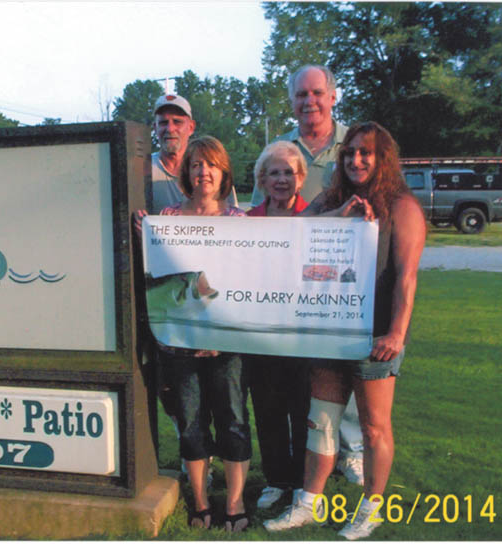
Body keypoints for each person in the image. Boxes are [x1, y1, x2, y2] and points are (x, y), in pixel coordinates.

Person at [263, 122, 426, 540]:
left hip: (374, 335)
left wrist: (396, 334)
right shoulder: (332, 197)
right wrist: (342, 215)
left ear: (382, 157)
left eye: (366, 153)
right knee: (321, 421)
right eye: (350, 152)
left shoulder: (402, 206)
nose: (356, 160)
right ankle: (309, 504)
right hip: (329, 330)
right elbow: (295, 233)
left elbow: (407, 278)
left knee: (373, 427)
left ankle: (371, 507)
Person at [252, 65, 364, 486]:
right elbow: (257, 222)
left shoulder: (352, 144)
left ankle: (352, 451)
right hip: (291, 285)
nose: (309, 101)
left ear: (333, 97)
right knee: (310, 379)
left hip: (342, 272)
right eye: (301, 95)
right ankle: (304, 463)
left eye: (317, 93)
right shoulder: (282, 148)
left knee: (346, 365)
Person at [139, 136, 251, 532]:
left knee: (233, 420)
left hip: (226, 343)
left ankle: (235, 504)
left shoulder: (240, 221)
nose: (203, 172)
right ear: (186, 173)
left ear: (224, 173)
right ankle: (201, 503)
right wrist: (145, 234)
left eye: (211, 165)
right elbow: (158, 276)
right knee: (189, 422)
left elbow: (244, 280)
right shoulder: (167, 216)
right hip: (179, 342)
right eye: (196, 165)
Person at [243, 141, 311, 511]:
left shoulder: (316, 219)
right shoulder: (248, 221)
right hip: (261, 333)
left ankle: (302, 481)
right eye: (274, 172)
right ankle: (276, 479)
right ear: (263, 180)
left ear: (300, 178)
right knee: (267, 409)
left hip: (302, 334)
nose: (282, 179)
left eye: (289, 172)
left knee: (302, 411)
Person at [151, 93, 237, 213]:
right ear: (155, 128)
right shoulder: (142, 171)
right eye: (163, 123)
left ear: (191, 127)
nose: (170, 129)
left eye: (177, 122)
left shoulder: (214, 173)